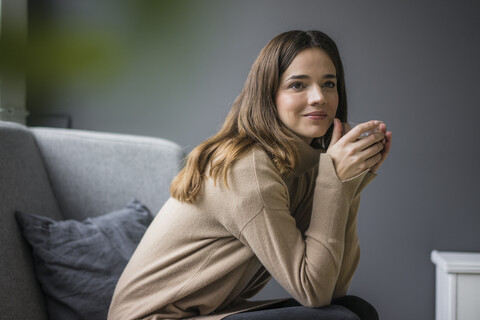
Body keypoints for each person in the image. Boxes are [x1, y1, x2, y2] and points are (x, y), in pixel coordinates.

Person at [108, 30, 392, 320]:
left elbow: (333, 289)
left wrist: (350, 184)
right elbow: (313, 291)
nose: (319, 97)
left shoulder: (308, 166)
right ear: (269, 95)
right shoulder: (249, 167)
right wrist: (335, 182)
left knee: (355, 310)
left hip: (205, 314)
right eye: (298, 85)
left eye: (328, 83)